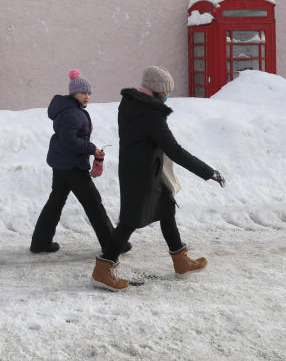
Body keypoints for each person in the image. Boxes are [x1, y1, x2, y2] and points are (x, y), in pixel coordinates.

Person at [91, 66, 226, 291]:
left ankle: (180, 260)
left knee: (166, 208)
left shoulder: (131, 103)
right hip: (141, 175)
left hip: (144, 170)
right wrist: (207, 171)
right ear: (156, 92)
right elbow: (174, 149)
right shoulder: (150, 114)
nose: (167, 96)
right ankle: (103, 269)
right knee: (128, 222)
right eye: (166, 92)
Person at [30, 69, 115, 255]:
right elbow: (69, 140)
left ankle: (40, 242)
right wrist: (91, 148)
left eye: (89, 93)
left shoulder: (71, 110)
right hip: (73, 167)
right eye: (83, 93)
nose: (87, 96)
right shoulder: (71, 113)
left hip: (61, 164)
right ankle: (112, 244)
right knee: (94, 203)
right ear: (73, 93)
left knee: (55, 202)